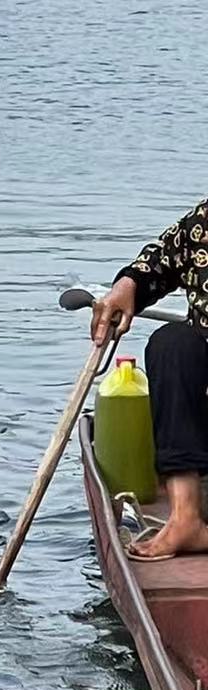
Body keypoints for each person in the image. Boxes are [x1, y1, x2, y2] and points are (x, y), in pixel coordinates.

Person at [90, 201, 208, 558]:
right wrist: (128, 286)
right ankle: (186, 518)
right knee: (171, 344)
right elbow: (157, 262)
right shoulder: (203, 224)